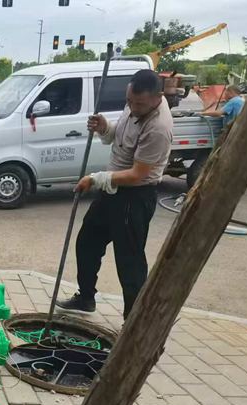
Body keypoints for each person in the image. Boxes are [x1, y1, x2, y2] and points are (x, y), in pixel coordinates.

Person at [56, 69, 174, 320]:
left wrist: (96, 178)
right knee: (88, 240)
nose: (132, 107)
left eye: (139, 103)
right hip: (113, 191)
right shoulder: (135, 105)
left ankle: (133, 322)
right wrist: (105, 128)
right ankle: (86, 297)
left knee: (129, 261)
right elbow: (120, 135)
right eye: (129, 101)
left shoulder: (159, 128)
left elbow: (137, 175)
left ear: (157, 98)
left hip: (135, 197)